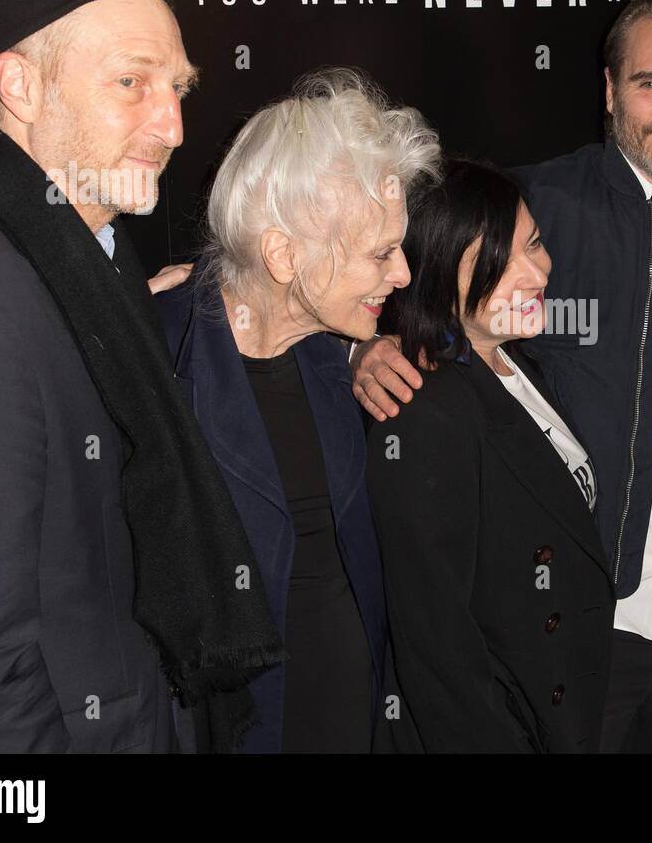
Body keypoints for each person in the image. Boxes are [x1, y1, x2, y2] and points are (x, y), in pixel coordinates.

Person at [354, 0, 652, 753]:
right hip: (581, 625)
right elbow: (365, 266)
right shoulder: (538, 208)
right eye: (649, 83)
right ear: (609, 92)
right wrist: (362, 344)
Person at [0, 0, 283, 753]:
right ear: (20, 85)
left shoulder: (86, 268)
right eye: (131, 83)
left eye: (178, 87)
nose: (173, 126)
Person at [155, 68, 440, 752]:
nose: (402, 274)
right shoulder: (157, 365)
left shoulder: (329, 348)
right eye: (380, 253)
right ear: (282, 254)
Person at [366, 159, 614, 752]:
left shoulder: (516, 362)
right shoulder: (425, 409)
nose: (535, 273)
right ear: (433, 276)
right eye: (496, 265)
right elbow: (438, 648)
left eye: (533, 243)